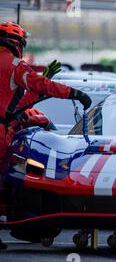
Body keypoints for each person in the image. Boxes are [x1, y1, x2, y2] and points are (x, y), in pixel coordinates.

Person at [0, 21, 92, 250]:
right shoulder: (14, 65)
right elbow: (42, 87)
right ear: (17, 43)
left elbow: (20, 102)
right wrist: (74, 93)